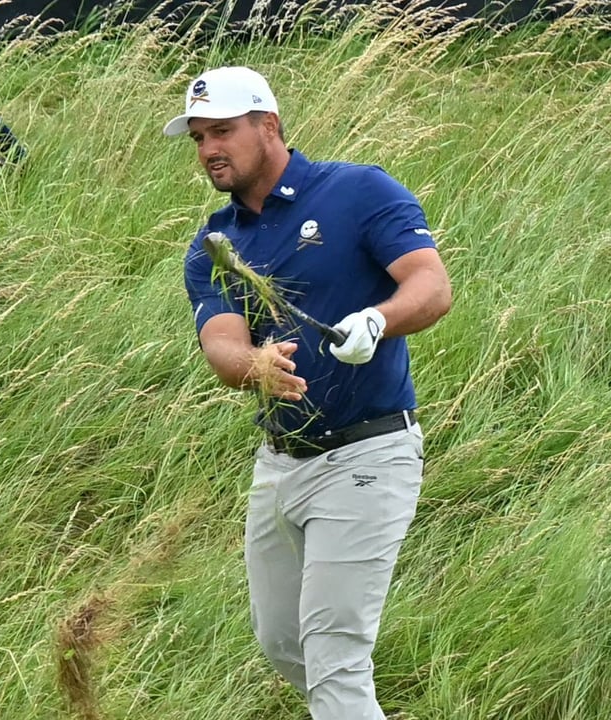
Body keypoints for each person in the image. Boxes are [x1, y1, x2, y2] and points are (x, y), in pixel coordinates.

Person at [163, 66, 452, 719]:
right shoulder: (217, 243)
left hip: (368, 453)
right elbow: (221, 345)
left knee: (333, 655)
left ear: (268, 125)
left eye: (224, 131)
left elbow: (431, 285)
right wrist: (255, 365)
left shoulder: (357, 191)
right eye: (199, 136)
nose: (210, 147)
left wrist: (379, 319)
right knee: (283, 643)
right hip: (281, 465)